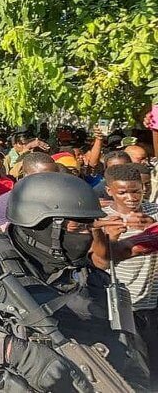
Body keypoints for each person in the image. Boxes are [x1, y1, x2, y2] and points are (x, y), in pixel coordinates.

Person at [0, 173, 150, 392]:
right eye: (77, 226)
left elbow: (129, 350)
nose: (87, 236)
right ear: (40, 224)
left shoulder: (86, 272)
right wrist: (14, 351)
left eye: (90, 226)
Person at [98, 163, 158, 388]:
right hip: (121, 307)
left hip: (152, 303)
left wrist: (153, 227)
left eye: (137, 191)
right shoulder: (103, 218)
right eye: (122, 192)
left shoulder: (154, 212)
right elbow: (97, 259)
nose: (131, 198)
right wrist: (109, 238)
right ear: (109, 190)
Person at [0, 152, 58, 229]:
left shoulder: (62, 198)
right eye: (42, 177)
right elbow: (2, 233)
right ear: (26, 175)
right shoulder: (5, 201)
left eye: (54, 176)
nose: (49, 181)